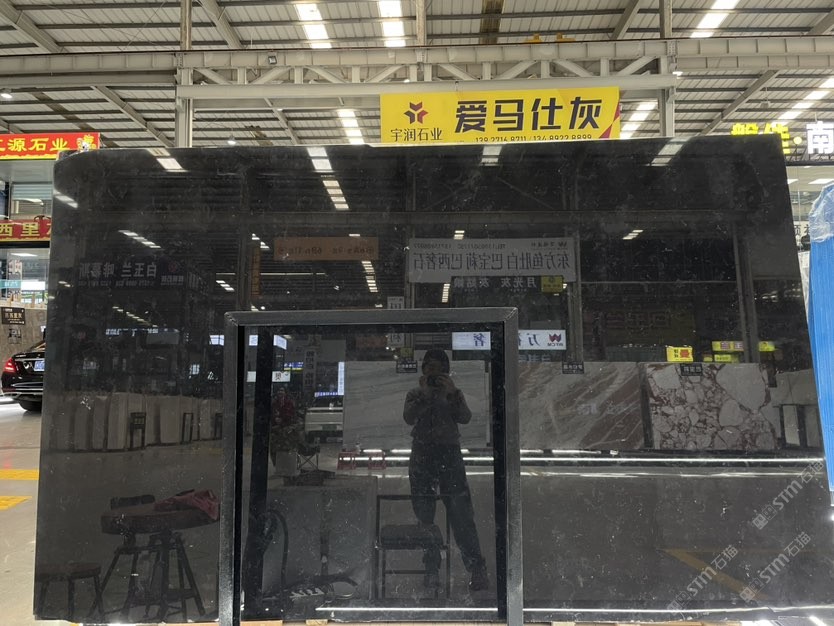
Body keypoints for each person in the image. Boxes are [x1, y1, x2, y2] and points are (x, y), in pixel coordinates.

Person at [403, 349, 489, 593]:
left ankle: (476, 569)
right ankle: (431, 569)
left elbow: (465, 417)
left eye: (438, 368)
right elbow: (408, 418)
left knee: (461, 515)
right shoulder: (415, 393)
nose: (433, 372)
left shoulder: (453, 394)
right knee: (425, 517)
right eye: (429, 367)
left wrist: (451, 393)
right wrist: (424, 395)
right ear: (423, 370)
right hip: (423, 454)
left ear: (446, 372)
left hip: (449, 454)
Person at [270, 386, 299, 466]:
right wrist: (275, 419)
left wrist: (282, 419)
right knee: (275, 448)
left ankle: (287, 465)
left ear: (285, 393)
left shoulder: (289, 402)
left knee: (287, 448)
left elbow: (291, 414)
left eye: (282, 390)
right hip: (276, 429)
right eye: (279, 390)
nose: (280, 392)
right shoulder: (274, 403)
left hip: (287, 428)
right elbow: (271, 413)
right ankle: (277, 465)